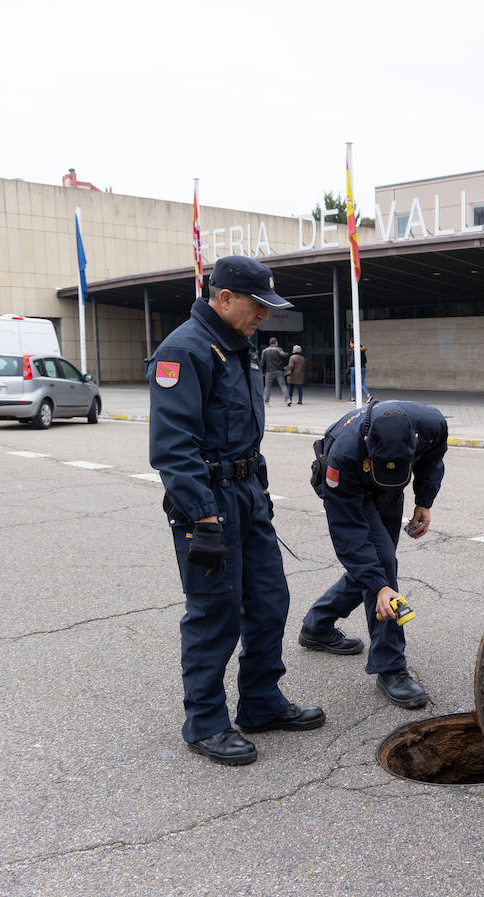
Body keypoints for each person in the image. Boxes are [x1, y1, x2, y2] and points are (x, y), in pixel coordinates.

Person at [147, 255, 325, 766]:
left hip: (247, 495)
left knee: (269, 600)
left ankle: (261, 701)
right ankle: (204, 722)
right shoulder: (182, 351)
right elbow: (173, 449)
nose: (265, 316)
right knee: (214, 612)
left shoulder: (240, 349)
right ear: (223, 298)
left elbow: (247, 434)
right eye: (258, 305)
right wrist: (202, 518)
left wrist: (261, 491)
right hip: (208, 501)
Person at [299, 399, 448, 709]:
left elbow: (433, 459)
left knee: (375, 567)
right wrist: (380, 586)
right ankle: (390, 667)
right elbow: (348, 533)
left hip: (390, 486)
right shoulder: (343, 455)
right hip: (351, 485)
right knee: (380, 565)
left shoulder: (432, 426)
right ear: (368, 442)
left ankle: (317, 626)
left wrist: (424, 500)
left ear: (415, 440)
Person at [260, 337, 287, 405]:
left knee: (267, 386)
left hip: (269, 371)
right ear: (276, 342)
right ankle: (288, 399)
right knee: (283, 385)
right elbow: (284, 356)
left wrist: (263, 371)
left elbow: (262, 362)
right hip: (278, 370)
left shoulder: (264, 351)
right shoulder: (278, 349)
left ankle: (266, 401)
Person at [346, 338, 369, 403]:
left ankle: (353, 398)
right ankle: (368, 395)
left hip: (354, 368)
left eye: (350, 343)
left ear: (353, 343)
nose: (350, 344)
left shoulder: (354, 350)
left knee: (353, 383)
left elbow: (352, 361)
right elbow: (365, 360)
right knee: (362, 383)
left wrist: (349, 365)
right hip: (363, 367)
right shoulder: (362, 350)